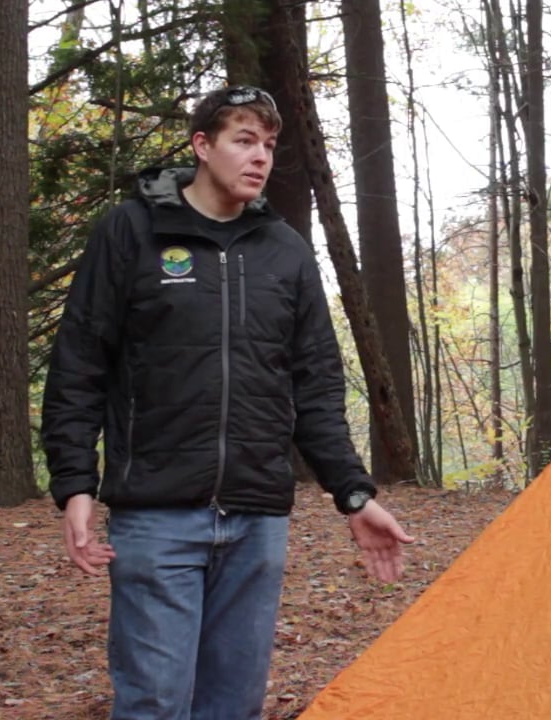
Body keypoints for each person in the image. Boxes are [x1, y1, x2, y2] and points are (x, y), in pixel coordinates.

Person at [40, 85, 414, 720]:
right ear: (202, 146)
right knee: (156, 703)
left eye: (268, 144)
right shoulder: (132, 231)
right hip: (157, 514)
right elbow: (79, 364)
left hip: (256, 520)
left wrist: (352, 492)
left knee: (234, 706)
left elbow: (315, 385)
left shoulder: (285, 250)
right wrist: (76, 483)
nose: (260, 156)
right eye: (244, 140)